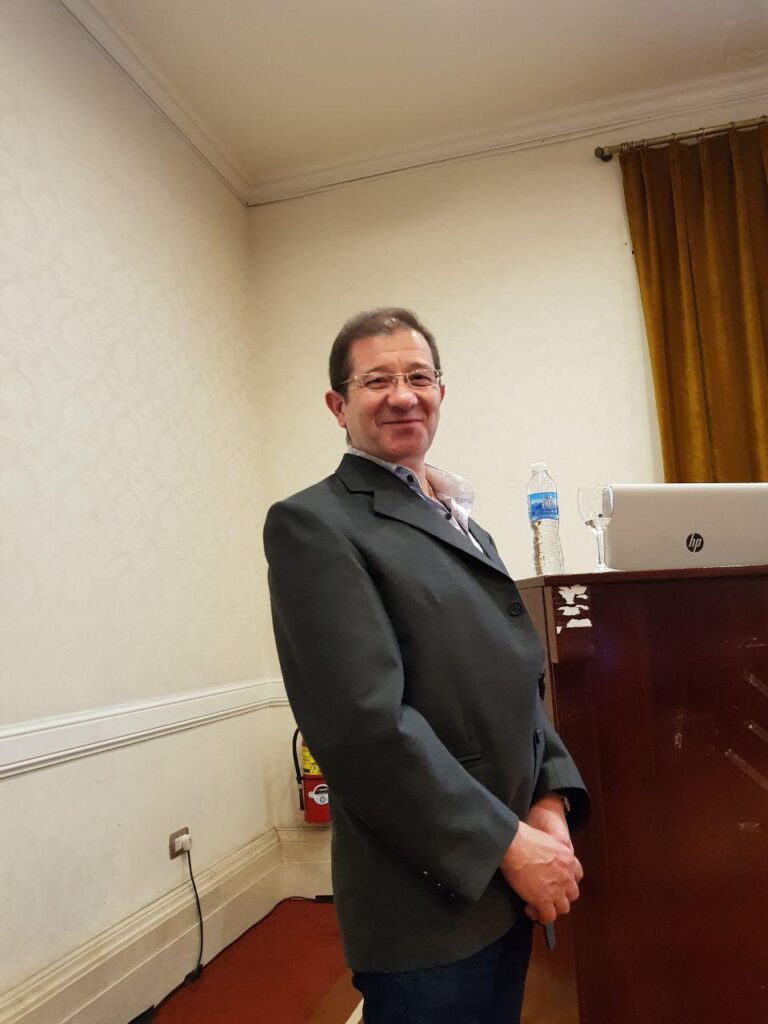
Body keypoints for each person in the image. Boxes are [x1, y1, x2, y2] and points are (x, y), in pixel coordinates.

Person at [263, 308, 589, 1024]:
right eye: (377, 380)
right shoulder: (315, 524)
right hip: (424, 904)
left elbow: (519, 680)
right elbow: (364, 729)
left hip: (508, 885)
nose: (403, 395)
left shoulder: (466, 523)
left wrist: (550, 800)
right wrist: (511, 845)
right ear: (337, 405)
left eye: (418, 377)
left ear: (441, 391)